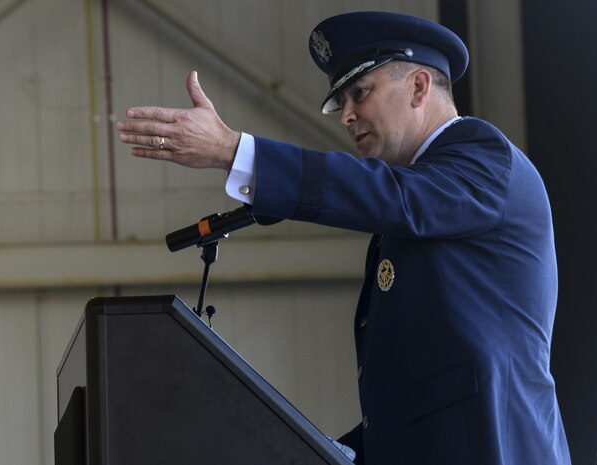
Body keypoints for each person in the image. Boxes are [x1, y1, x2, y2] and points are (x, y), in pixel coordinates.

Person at [116, 10, 571, 465]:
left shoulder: (482, 155)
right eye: (341, 103)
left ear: (418, 87)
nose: (347, 116)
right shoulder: (415, 204)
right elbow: (408, 405)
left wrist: (234, 152)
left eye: (359, 92)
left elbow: (391, 198)